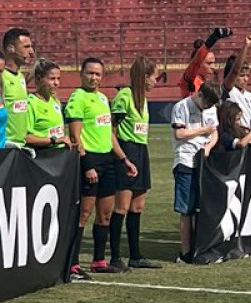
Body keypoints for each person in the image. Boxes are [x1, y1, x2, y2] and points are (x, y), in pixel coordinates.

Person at [64, 55, 124, 273]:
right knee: (84, 214)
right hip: (89, 161)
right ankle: (73, 261)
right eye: (89, 73)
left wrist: (123, 159)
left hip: (107, 160)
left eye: (97, 74)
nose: (93, 77)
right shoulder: (77, 98)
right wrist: (87, 164)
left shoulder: (102, 99)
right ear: (81, 74)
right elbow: (75, 137)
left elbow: (109, 135)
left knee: (105, 213)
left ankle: (99, 261)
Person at [110, 53, 160, 271]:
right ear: (145, 76)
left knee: (137, 206)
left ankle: (135, 255)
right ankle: (114, 257)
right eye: (154, 77)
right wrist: (122, 157)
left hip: (142, 150)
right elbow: (112, 129)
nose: (156, 82)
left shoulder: (143, 99)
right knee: (121, 206)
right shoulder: (124, 96)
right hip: (127, 150)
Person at [171, 79, 220, 262]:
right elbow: (179, 134)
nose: (206, 107)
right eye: (206, 102)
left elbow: (214, 132)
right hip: (185, 160)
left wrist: (208, 148)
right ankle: (185, 252)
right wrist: (202, 131)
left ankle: (200, 248)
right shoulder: (181, 107)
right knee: (186, 209)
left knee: (203, 207)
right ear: (199, 94)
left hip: (203, 161)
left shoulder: (211, 109)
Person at [0, 27, 37, 149]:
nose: (31, 51)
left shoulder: (20, 77)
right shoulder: (0, 77)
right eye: (26, 47)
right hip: (5, 146)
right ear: (11, 49)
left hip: (21, 146)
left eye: (31, 47)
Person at [23, 58, 68, 158]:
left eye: (58, 79)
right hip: (42, 157)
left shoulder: (55, 102)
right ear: (39, 79)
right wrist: (53, 140)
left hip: (59, 157)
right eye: (52, 79)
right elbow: (26, 138)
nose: (56, 83)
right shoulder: (31, 103)